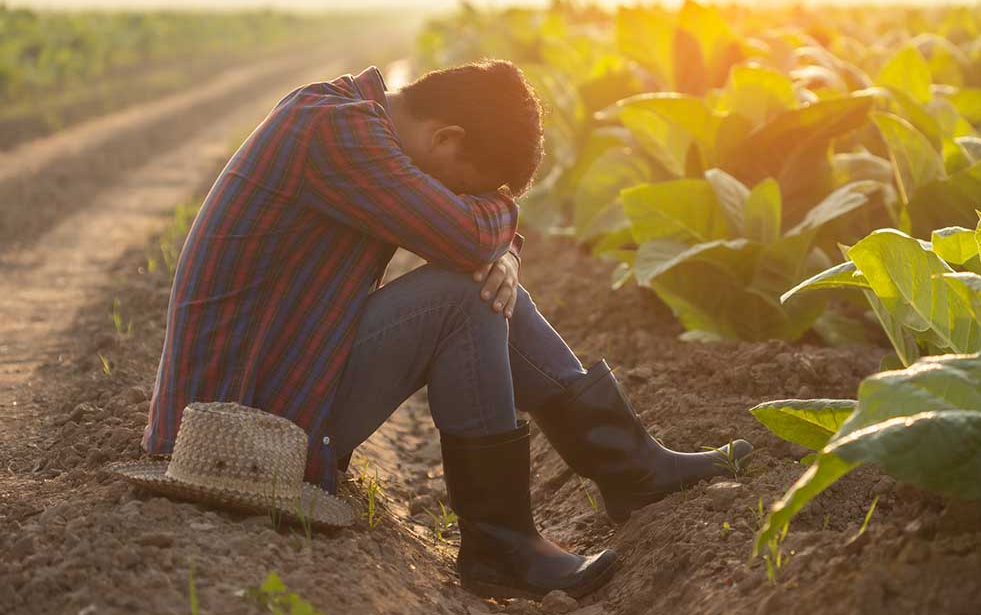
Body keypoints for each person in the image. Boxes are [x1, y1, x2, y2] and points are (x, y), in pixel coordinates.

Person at [141, 60, 752, 600]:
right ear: (446, 137)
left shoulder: (352, 118)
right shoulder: (335, 131)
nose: (462, 199)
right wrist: (495, 237)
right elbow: (462, 237)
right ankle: (503, 543)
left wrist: (502, 251)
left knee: (477, 282)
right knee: (463, 294)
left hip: (277, 388)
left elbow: (469, 235)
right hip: (235, 431)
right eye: (465, 187)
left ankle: (629, 471)